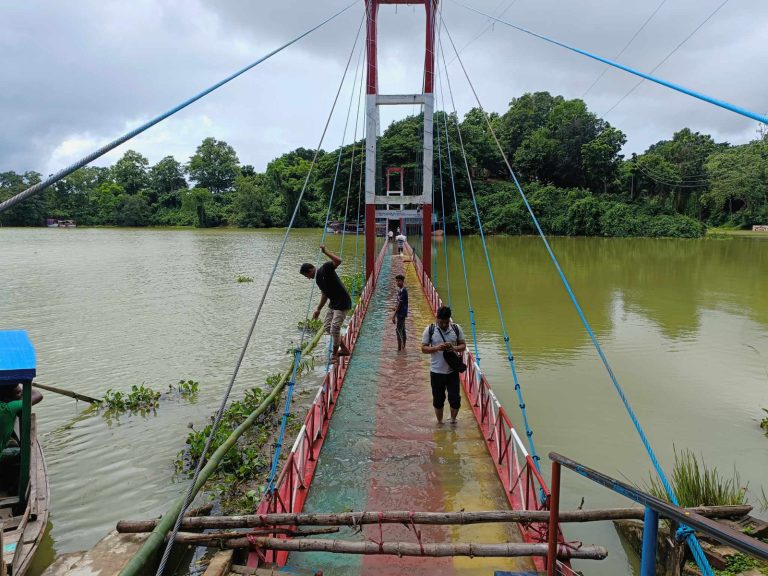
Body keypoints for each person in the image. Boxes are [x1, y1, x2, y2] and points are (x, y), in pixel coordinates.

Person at [300, 245, 352, 363]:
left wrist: (325, 252)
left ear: (310, 270)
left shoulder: (325, 268)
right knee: (328, 327)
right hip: (334, 303)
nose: (308, 278)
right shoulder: (318, 279)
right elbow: (325, 294)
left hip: (343, 302)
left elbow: (339, 261)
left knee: (335, 328)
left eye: (306, 276)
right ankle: (344, 349)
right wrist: (318, 309)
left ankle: (334, 355)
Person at [421, 306, 466, 424]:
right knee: (438, 400)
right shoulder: (430, 329)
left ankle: (452, 421)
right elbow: (423, 348)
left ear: (449, 320)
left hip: (452, 372)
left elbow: (463, 346)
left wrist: (453, 347)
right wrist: (436, 348)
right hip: (436, 372)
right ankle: (440, 422)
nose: (444, 325)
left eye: (446, 322)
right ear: (437, 319)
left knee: (455, 399)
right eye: (441, 322)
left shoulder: (456, 328)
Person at [1, 384, 43, 455]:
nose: (21, 395)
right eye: (18, 393)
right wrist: (24, 385)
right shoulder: (8, 409)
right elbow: (38, 394)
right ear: (7, 397)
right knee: (19, 451)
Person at [391, 274, 409, 351]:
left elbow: (400, 304)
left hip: (401, 314)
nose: (398, 282)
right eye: (397, 281)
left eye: (399, 281)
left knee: (398, 330)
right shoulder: (400, 290)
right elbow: (398, 303)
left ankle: (399, 350)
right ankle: (403, 347)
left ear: (403, 281)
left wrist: (393, 315)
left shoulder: (404, 291)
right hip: (400, 313)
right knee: (402, 329)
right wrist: (395, 308)